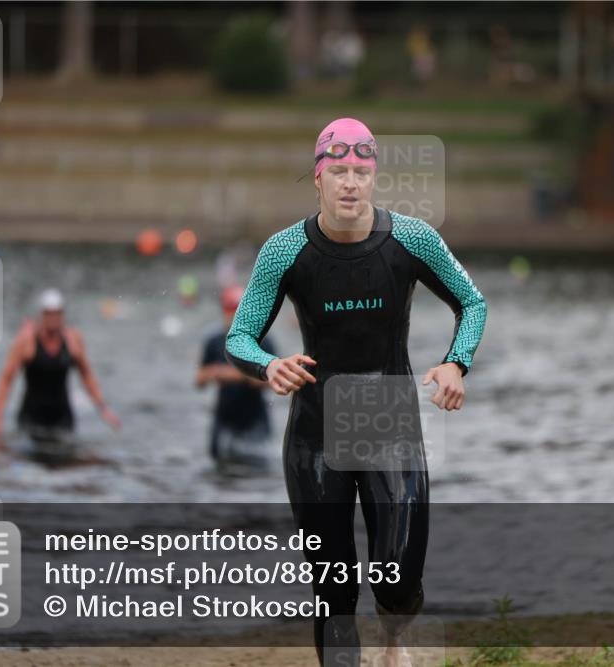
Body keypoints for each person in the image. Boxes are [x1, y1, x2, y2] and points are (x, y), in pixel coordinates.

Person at [225, 118, 487, 666]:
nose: (350, 182)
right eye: (337, 171)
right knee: (334, 590)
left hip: (389, 424)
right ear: (317, 179)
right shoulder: (284, 250)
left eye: (360, 172)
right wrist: (268, 366)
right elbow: (240, 336)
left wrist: (455, 363)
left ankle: (395, 640)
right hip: (315, 433)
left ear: (373, 178)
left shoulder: (411, 240)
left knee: (397, 580)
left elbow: (473, 303)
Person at [0, 288, 120, 464]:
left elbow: (86, 374)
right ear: (41, 315)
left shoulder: (73, 340)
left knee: (67, 463)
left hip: (62, 417)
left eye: (57, 314)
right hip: (32, 417)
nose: (53, 319)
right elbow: (6, 379)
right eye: (49, 314)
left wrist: (103, 408)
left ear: (62, 315)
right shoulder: (26, 341)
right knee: (28, 465)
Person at [195, 285, 276, 471]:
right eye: (230, 309)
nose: (233, 314)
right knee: (220, 472)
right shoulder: (214, 341)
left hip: (255, 419)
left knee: (256, 472)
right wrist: (212, 372)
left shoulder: (263, 340)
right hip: (224, 418)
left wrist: (237, 375)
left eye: (238, 309)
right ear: (223, 309)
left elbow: (273, 381)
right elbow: (199, 380)